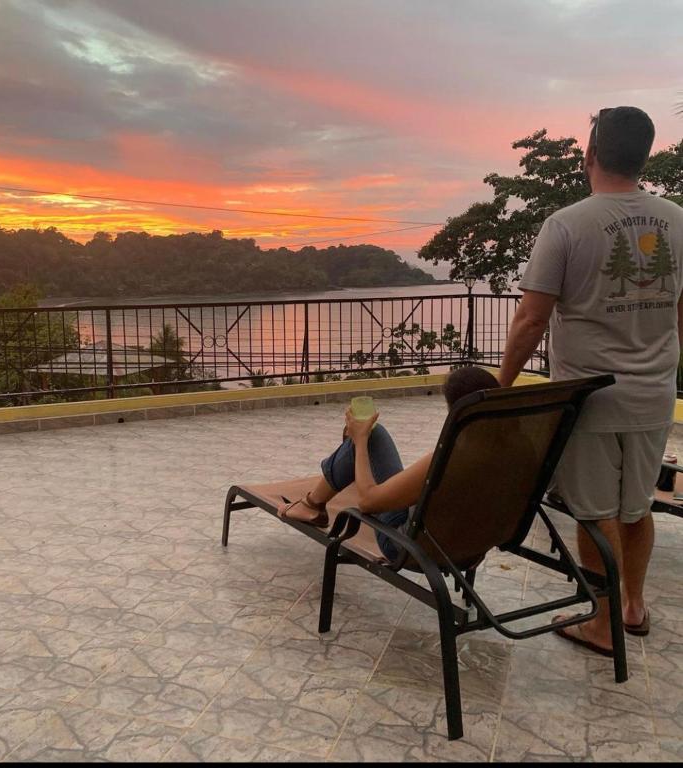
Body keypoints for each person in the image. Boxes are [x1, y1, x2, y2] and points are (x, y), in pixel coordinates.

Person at [498, 106, 683, 656]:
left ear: (591, 154)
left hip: (591, 400)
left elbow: (532, 319)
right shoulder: (677, 218)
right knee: (638, 507)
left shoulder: (567, 224)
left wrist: (500, 385)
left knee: (594, 511)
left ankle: (603, 624)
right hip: (655, 395)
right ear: (644, 155)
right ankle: (633, 606)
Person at [277, 366, 500, 560]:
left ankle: (312, 504)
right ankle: (315, 500)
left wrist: (361, 441)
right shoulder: (518, 453)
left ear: (456, 412)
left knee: (373, 436)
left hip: (406, 545)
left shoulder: (450, 458)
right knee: (368, 441)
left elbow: (368, 502)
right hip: (471, 546)